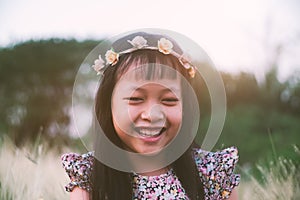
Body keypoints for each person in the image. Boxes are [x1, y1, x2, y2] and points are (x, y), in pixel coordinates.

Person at [61, 31, 240, 200]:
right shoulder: (91, 178)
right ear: (108, 105)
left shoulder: (212, 174)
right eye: (136, 99)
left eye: (169, 100)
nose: (152, 115)